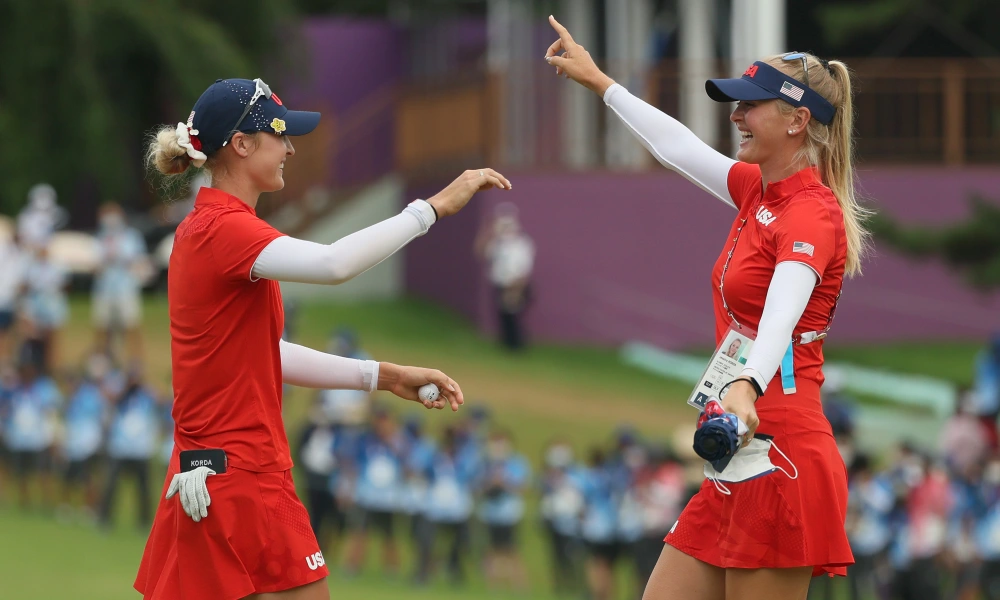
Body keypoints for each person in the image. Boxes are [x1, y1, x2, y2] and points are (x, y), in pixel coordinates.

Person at [136, 77, 509, 600]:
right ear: (241, 144)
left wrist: (383, 375)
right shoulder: (226, 229)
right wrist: (434, 208)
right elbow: (335, 264)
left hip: (215, 470)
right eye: (279, 134)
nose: (290, 147)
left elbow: (262, 353)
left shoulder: (207, 227)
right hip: (242, 473)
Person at [545, 14, 866, 599]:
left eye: (751, 105)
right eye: (736, 104)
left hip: (779, 451)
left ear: (798, 121)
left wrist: (745, 384)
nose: (736, 115)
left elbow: (781, 314)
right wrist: (600, 82)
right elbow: (676, 147)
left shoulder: (811, 212)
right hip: (735, 447)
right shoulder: (758, 190)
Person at [99, 363, 160, 530]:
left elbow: (159, 402)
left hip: (141, 449)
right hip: (120, 448)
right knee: (111, 486)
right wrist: (126, 389)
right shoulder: (120, 396)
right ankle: (104, 519)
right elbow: (110, 401)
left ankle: (144, 521)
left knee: (144, 488)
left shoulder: (146, 395)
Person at [92, 202, 151, 360]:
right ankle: (104, 363)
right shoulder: (99, 238)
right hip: (104, 289)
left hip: (126, 289)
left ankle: (136, 363)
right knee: (103, 328)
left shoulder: (131, 236)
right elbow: (94, 264)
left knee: (131, 326)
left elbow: (140, 262)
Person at [474, 204, 535, 351]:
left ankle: (516, 346)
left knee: (513, 316)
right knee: (504, 317)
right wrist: (487, 231)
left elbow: (523, 269)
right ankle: (507, 345)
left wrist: (516, 290)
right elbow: (480, 252)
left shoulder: (521, 244)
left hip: (514, 286)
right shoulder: (497, 244)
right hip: (501, 285)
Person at [477, 429, 531, 591]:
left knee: (511, 550)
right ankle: (494, 586)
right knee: (491, 550)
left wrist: (505, 482)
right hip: (490, 513)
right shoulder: (485, 462)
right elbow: (477, 487)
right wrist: (491, 483)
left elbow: (523, 487)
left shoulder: (518, 462)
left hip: (509, 514)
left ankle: (519, 585)